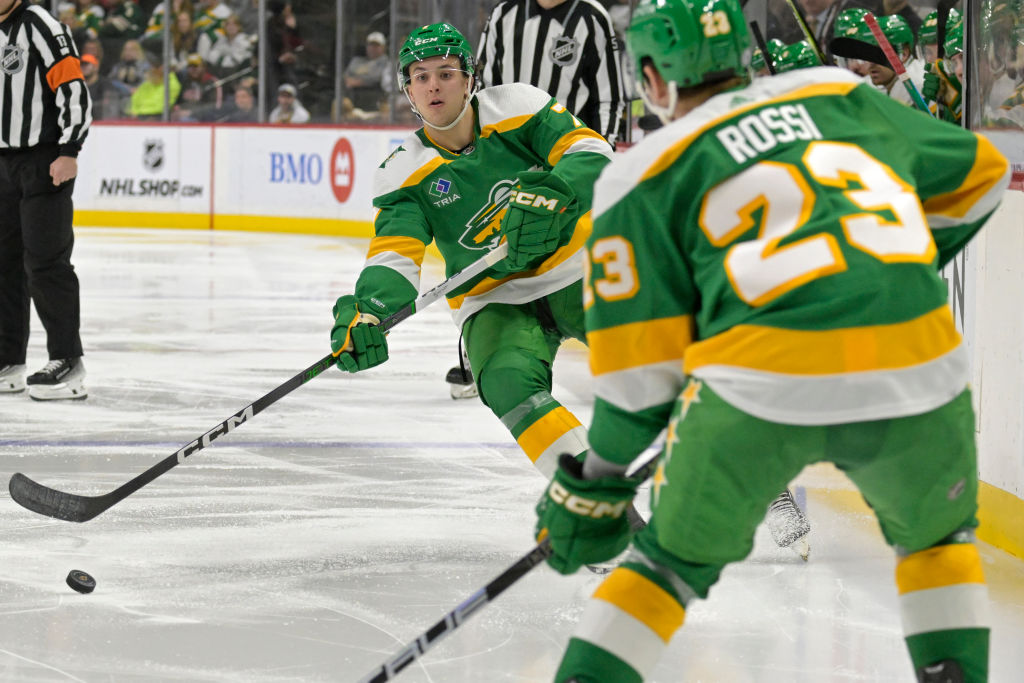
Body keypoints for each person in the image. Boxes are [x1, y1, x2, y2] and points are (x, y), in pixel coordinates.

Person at [535, 2, 1010, 683]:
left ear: (652, 77)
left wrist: (602, 478)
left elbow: (639, 374)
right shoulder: (839, 93)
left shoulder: (639, 174)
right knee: (939, 542)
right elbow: (983, 173)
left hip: (757, 391)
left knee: (663, 568)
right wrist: (879, 265)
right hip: (917, 369)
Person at [328, 22, 617, 486]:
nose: (433, 86)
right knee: (508, 383)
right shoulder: (402, 172)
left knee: (656, 355)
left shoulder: (518, 106)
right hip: (492, 299)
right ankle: (597, 505)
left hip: (577, 268)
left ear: (469, 78)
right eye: (419, 77)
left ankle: (742, 462)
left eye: (445, 72)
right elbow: (395, 253)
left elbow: (591, 152)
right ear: (408, 90)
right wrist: (369, 311)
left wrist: (557, 193)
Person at [455, 0, 625, 401]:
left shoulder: (590, 16)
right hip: (508, 161)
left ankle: (629, 356)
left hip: (568, 161)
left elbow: (609, 95)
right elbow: (480, 86)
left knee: (577, 258)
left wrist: (599, 161)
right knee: (497, 250)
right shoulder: (504, 14)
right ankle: (485, 352)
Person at [0, 0, 92, 400]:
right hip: (2, 163)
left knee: (46, 262)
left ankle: (68, 361)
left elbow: (72, 86)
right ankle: (8, 360)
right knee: (3, 264)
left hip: (43, 159)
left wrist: (69, 149)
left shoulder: (40, 24)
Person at [343, 31, 390, 112]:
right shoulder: (357, 61)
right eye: (370, 45)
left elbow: (376, 78)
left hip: (373, 99)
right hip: (352, 96)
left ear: (384, 48)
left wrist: (355, 81)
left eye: (377, 46)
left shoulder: (386, 62)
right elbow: (345, 76)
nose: (373, 48)